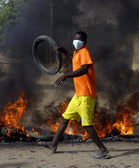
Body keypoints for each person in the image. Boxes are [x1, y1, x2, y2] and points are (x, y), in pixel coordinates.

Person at [44, 31, 110, 159]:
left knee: (86, 124)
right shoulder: (77, 53)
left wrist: (65, 75)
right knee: (65, 119)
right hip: (78, 95)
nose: (76, 40)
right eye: (75, 38)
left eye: (79, 39)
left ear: (85, 42)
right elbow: (74, 60)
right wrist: (63, 51)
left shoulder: (85, 52)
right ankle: (53, 144)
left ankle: (103, 149)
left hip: (86, 95)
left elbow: (84, 69)